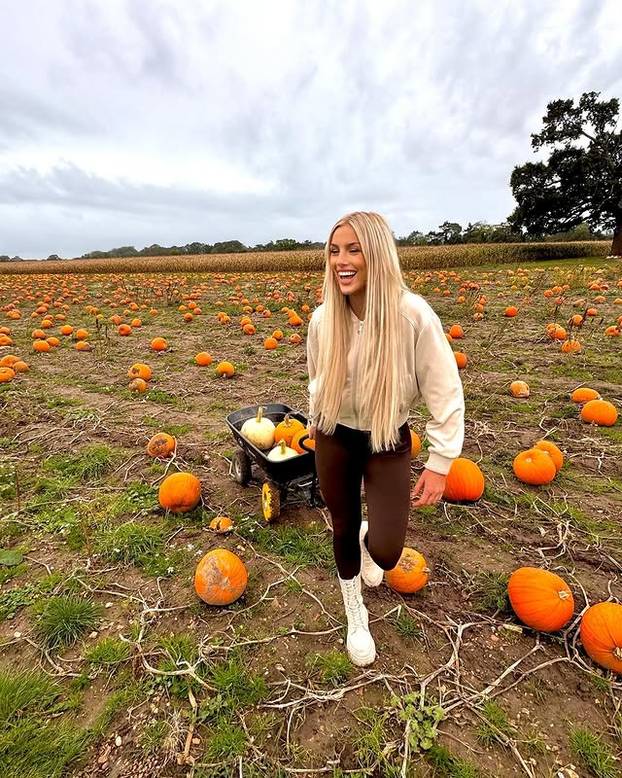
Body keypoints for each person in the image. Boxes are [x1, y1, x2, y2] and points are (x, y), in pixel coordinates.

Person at [306, 211, 465, 667]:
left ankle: (368, 538)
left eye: (354, 249)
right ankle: (354, 613)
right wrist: (319, 420)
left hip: (387, 437)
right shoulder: (322, 319)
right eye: (335, 251)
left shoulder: (411, 314)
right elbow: (318, 377)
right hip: (335, 434)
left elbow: (444, 388)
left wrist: (441, 461)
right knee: (341, 526)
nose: (342, 260)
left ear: (377, 254)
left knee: (388, 552)